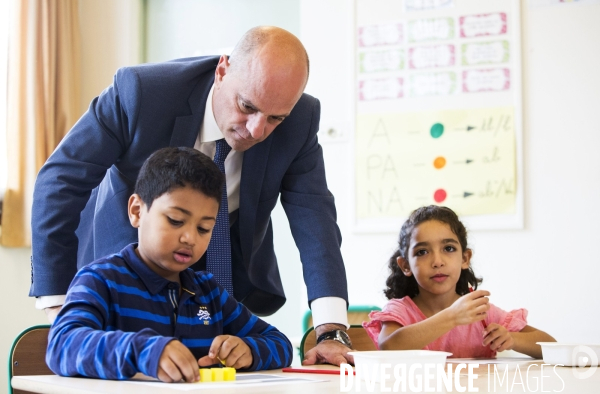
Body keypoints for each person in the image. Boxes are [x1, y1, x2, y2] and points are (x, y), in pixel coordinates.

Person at [31, 26, 351, 365]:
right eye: (247, 106)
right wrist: (58, 302)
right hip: (127, 285)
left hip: (215, 292)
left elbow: (315, 216)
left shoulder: (300, 120)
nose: (257, 130)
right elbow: (61, 179)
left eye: (275, 118)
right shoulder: (141, 93)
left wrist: (330, 330)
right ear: (223, 70)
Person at [46, 147, 293, 382]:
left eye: (204, 228)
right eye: (175, 221)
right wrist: (142, 351)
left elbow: (279, 343)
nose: (190, 238)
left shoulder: (208, 293)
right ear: (136, 211)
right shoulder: (100, 280)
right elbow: (61, 345)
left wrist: (248, 349)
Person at [363, 205, 555, 358]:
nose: (437, 262)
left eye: (448, 248)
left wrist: (512, 339)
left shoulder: (479, 312)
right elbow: (389, 346)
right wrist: (452, 317)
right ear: (405, 265)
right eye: (422, 252)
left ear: (465, 258)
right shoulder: (400, 311)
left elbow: (550, 346)